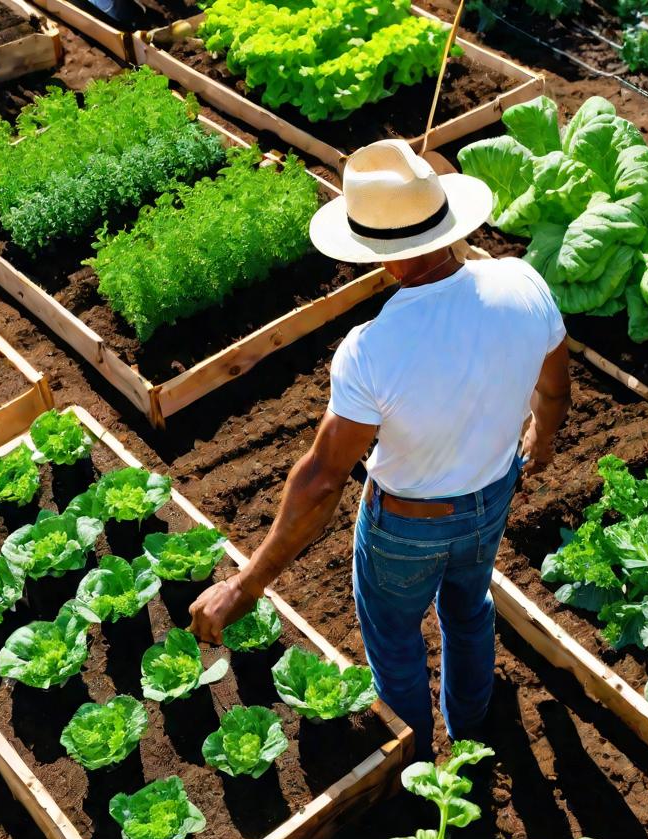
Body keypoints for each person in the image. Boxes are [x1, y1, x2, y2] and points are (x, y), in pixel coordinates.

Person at [189, 139, 571, 757]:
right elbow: (555, 386)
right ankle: (470, 728)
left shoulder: (371, 348)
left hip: (406, 526)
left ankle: (415, 756)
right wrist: (541, 442)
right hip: (491, 497)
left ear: (384, 259)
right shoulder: (521, 280)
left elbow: (320, 480)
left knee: (395, 639)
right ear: (447, 222)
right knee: (470, 606)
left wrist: (247, 583)